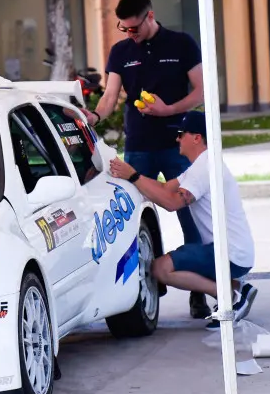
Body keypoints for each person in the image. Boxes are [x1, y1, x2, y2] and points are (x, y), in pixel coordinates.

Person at [81, 0, 210, 319]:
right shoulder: (120, 52)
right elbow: (110, 96)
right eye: (124, 29)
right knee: (134, 220)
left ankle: (200, 290)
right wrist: (94, 116)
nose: (130, 34)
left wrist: (169, 111)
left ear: (150, 16)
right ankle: (146, 285)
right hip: (138, 147)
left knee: (190, 217)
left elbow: (201, 91)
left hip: (177, 147)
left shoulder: (181, 44)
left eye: (134, 28)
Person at [108, 111, 258, 329]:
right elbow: (164, 187)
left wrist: (133, 176)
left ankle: (230, 297)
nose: (177, 139)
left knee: (161, 269)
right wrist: (128, 178)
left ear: (197, 137)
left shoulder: (204, 169)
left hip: (229, 253)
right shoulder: (201, 164)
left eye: (181, 134)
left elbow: (171, 203)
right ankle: (237, 288)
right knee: (170, 263)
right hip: (231, 250)